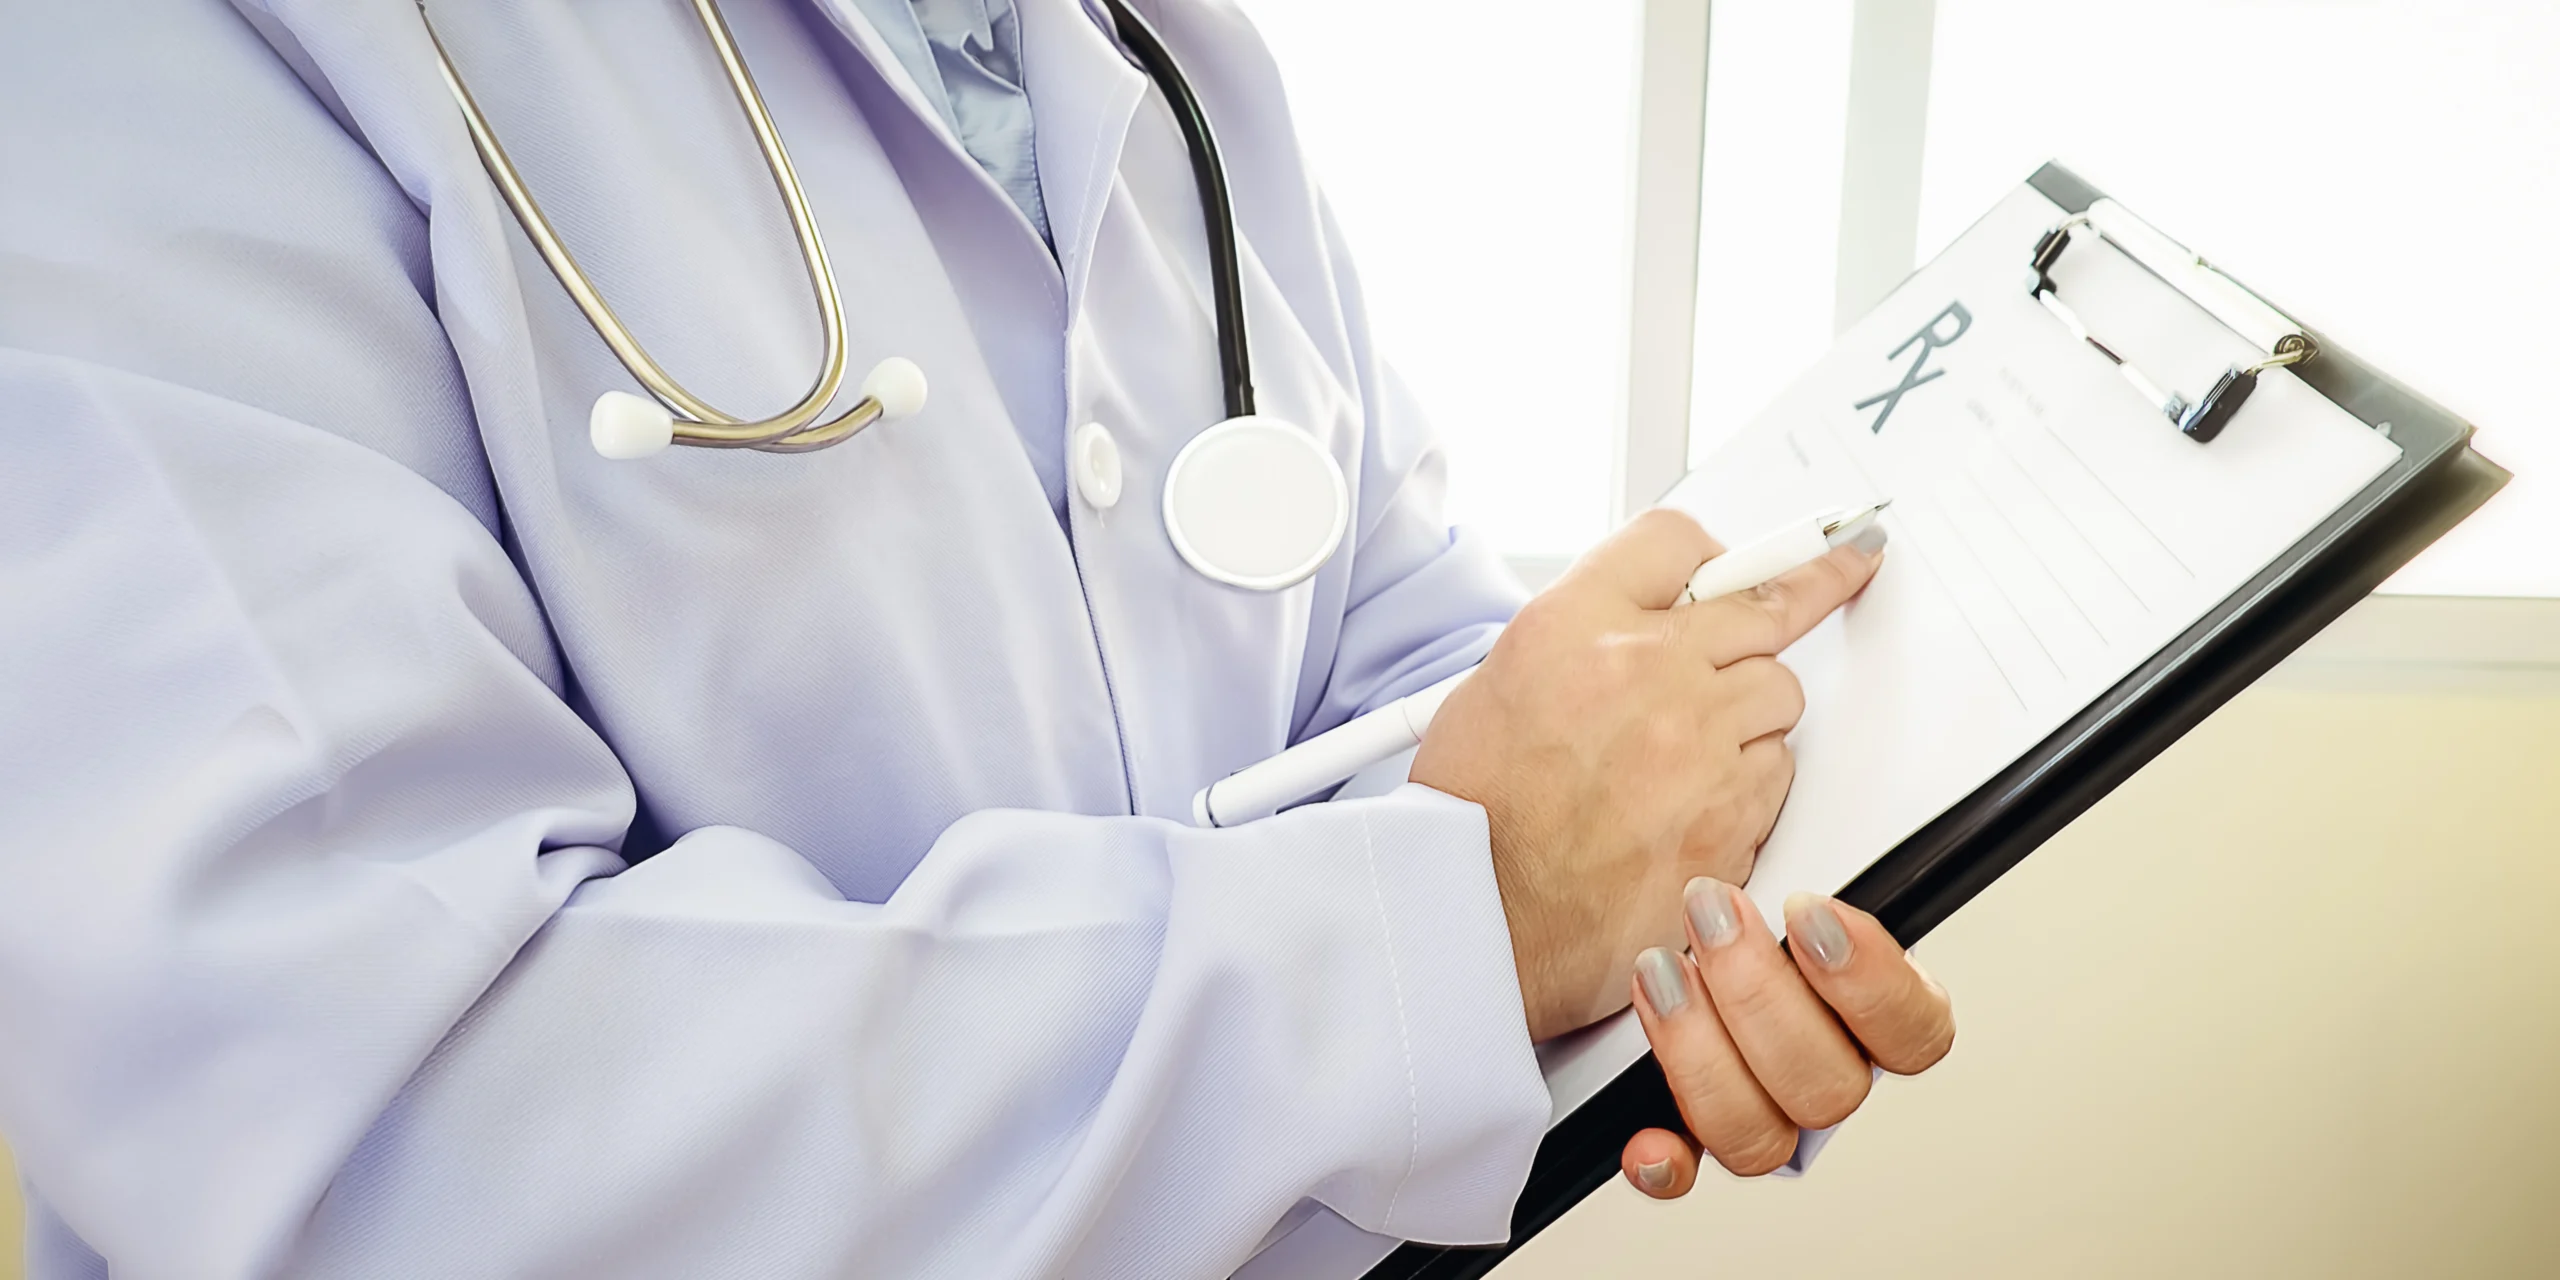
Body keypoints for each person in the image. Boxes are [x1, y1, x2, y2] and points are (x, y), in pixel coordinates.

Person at [0, 1, 1953, 1275]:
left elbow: (1366, 648)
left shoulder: (1141, 45)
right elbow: (373, 1140)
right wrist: (1449, 932)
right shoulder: (151, 60)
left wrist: (1691, 894)